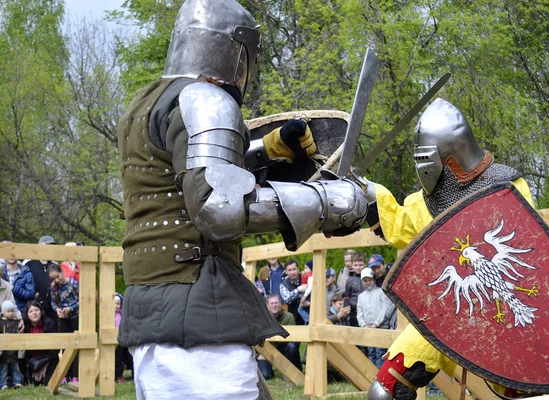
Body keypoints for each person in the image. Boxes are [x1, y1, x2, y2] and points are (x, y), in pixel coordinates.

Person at [116, 1, 369, 398]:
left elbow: (189, 178)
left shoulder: (147, 101)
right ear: (239, 50)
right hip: (197, 311)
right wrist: (326, 201)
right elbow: (217, 206)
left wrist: (266, 150)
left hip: (158, 307)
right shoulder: (205, 98)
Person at [366, 98, 535, 399]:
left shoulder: (509, 187)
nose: (421, 168)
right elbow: (398, 224)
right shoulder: (424, 202)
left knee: (522, 392)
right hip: (447, 315)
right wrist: (363, 197)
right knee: (385, 391)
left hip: (505, 320)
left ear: (451, 159)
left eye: (425, 158)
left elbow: (533, 254)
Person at [257, 294, 301, 379]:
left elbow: (291, 337)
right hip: (267, 349)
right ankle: (270, 371)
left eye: (276, 303)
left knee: (292, 346)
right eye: (272, 303)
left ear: (280, 304)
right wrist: (260, 353)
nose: (274, 305)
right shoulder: (262, 318)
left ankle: (292, 371)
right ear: (267, 305)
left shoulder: (289, 316)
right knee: (265, 375)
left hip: (284, 347)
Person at [48, 263, 79, 383]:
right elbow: (53, 302)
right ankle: (66, 374)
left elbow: (81, 300)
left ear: (61, 272)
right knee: (65, 347)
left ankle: (76, 374)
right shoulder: (53, 286)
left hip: (75, 317)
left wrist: (70, 309)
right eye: (53, 278)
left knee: (76, 347)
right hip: (63, 319)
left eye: (57, 277)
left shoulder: (74, 284)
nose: (56, 280)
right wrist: (58, 310)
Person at [357, 268, 394, 368]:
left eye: (370, 280)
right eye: (365, 280)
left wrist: (376, 323)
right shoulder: (361, 296)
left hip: (379, 327)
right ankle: (370, 376)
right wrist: (363, 325)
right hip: (367, 328)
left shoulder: (380, 292)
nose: (368, 282)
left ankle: (380, 376)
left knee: (380, 352)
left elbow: (384, 308)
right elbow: (359, 312)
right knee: (371, 352)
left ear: (374, 280)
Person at [23, 301, 59, 386]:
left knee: (47, 382)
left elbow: (56, 347)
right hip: (31, 360)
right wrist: (35, 366)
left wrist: (44, 364)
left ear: (41, 311)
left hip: (48, 359)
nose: (34, 313)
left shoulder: (50, 323)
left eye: (36, 310)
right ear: (27, 314)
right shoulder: (24, 326)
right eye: (31, 311)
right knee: (33, 382)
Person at [23, 236, 57, 323]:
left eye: (52, 246)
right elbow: (23, 282)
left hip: (51, 305)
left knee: (52, 330)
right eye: (48, 245)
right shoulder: (29, 263)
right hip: (34, 306)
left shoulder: (55, 265)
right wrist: (33, 294)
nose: (51, 248)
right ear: (40, 246)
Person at [0, 240, 34, 316]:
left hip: (22, 312)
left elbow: (30, 294)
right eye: (8, 253)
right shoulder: (1, 273)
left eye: (13, 252)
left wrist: (14, 288)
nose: (11, 255)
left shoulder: (26, 273)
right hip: (3, 315)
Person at [0, 300, 22, 389]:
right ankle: (3, 384)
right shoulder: (1, 323)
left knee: (16, 368)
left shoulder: (16, 322)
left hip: (14, 351)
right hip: (4, 352)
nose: (11, 313)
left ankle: (17, 382)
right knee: (3, 369)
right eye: (8, 311)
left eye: (12, 311)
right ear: (3, 312)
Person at [280, 260, 308, 325]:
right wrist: (298, 290)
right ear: (286, 272)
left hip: (308, 313)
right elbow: (286, 299)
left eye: (294, 269)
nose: (292, 272)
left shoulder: (305, 277)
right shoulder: (283, 284)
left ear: (298, 269)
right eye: (289, 270)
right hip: (294, 317)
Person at [345, 252, 366, 327]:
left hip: (367, 311)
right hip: (354, 312)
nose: (358, 267)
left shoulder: (369, 277)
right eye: (356, 265)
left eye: (360, 265)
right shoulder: (349, 280)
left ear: (365, 265)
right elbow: (347, 296)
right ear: (352, 266)